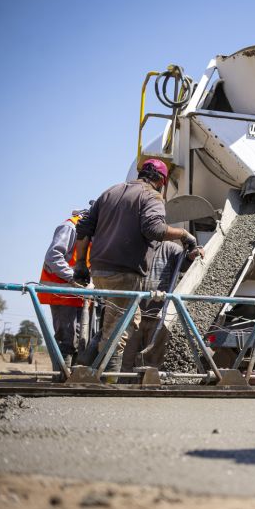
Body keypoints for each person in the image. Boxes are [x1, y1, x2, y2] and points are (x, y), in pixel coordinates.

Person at [73, 159, 199, 377]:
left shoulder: (110, 192)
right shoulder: (152, 196)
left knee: (112, 326)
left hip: (100, 270)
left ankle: (84, 369)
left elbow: (83, 228)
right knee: (121, 331)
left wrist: (81, 265)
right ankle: (108, 383)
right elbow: (155, 229)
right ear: (161, 181)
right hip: (124, 273)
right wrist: (184, 235)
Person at [120, 240, 202, 373]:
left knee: (152, 362)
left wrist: (192, 255)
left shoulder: (170, 249)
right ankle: (121, 387)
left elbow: (185, 263)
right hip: (133, 314)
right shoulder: (134, 244)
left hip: (158, 316)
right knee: (125, 358)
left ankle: (148, 389)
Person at [37, 206, 91, 374]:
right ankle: (61, 379)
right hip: (62, 292)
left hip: (76, 294)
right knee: (66, 340)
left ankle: (71, 380)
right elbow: (53, 257)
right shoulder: (70, 227)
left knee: (78, 341)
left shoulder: (88, 233)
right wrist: (74, 278)